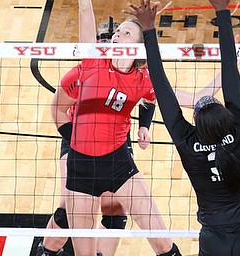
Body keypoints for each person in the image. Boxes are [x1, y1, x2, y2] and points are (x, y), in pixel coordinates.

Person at [124, 0, 240, 255]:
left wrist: (149, 30)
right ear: (225, 116)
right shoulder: (236, 132)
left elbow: (160, 87)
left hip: (213, 240)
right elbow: (230, 72)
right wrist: (222, 11)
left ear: (195, 121)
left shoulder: (188, 142)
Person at [50, 0, 182, 255]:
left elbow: (184, 97)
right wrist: (77, 139)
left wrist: (227, 71)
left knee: (162, 242)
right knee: (74, 236)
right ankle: (48, 249)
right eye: (117, 31)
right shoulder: (92, 62)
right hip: (82, 164)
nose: (116, 35)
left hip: (118, 162)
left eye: (125, 33)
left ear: (138, 49)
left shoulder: (142, 80)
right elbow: (85, 12)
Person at [37, 18, 156, 256]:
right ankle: (46, 251)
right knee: (67, 209)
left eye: (122, 35)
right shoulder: (87, 68)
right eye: (107, 39)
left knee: (116, 211)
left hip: (116, 141)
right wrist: (78, 144)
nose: (111, 42)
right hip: (76, 135)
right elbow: (58, 109)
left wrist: (144, 126)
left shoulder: (136, 74)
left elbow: (149, 96)